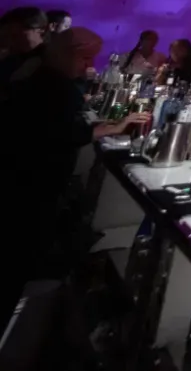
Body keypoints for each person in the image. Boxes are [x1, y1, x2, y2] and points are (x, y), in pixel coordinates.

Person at [1, 29, 147, 314]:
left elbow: (53, 127)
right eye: (85, 58)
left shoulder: (41, 78)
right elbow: (55, 133)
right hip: (29, 184)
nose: (88, 66)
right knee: (18, 258)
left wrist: (98, 129)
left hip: (25, 181)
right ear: (65, 54)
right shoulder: (54, 86)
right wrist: (100, 130)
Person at [0, 6, 49, 85]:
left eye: (16, 36)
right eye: (6, 35)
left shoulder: (51, 61)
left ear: (41, 30)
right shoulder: (10, 57)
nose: (10, 41)